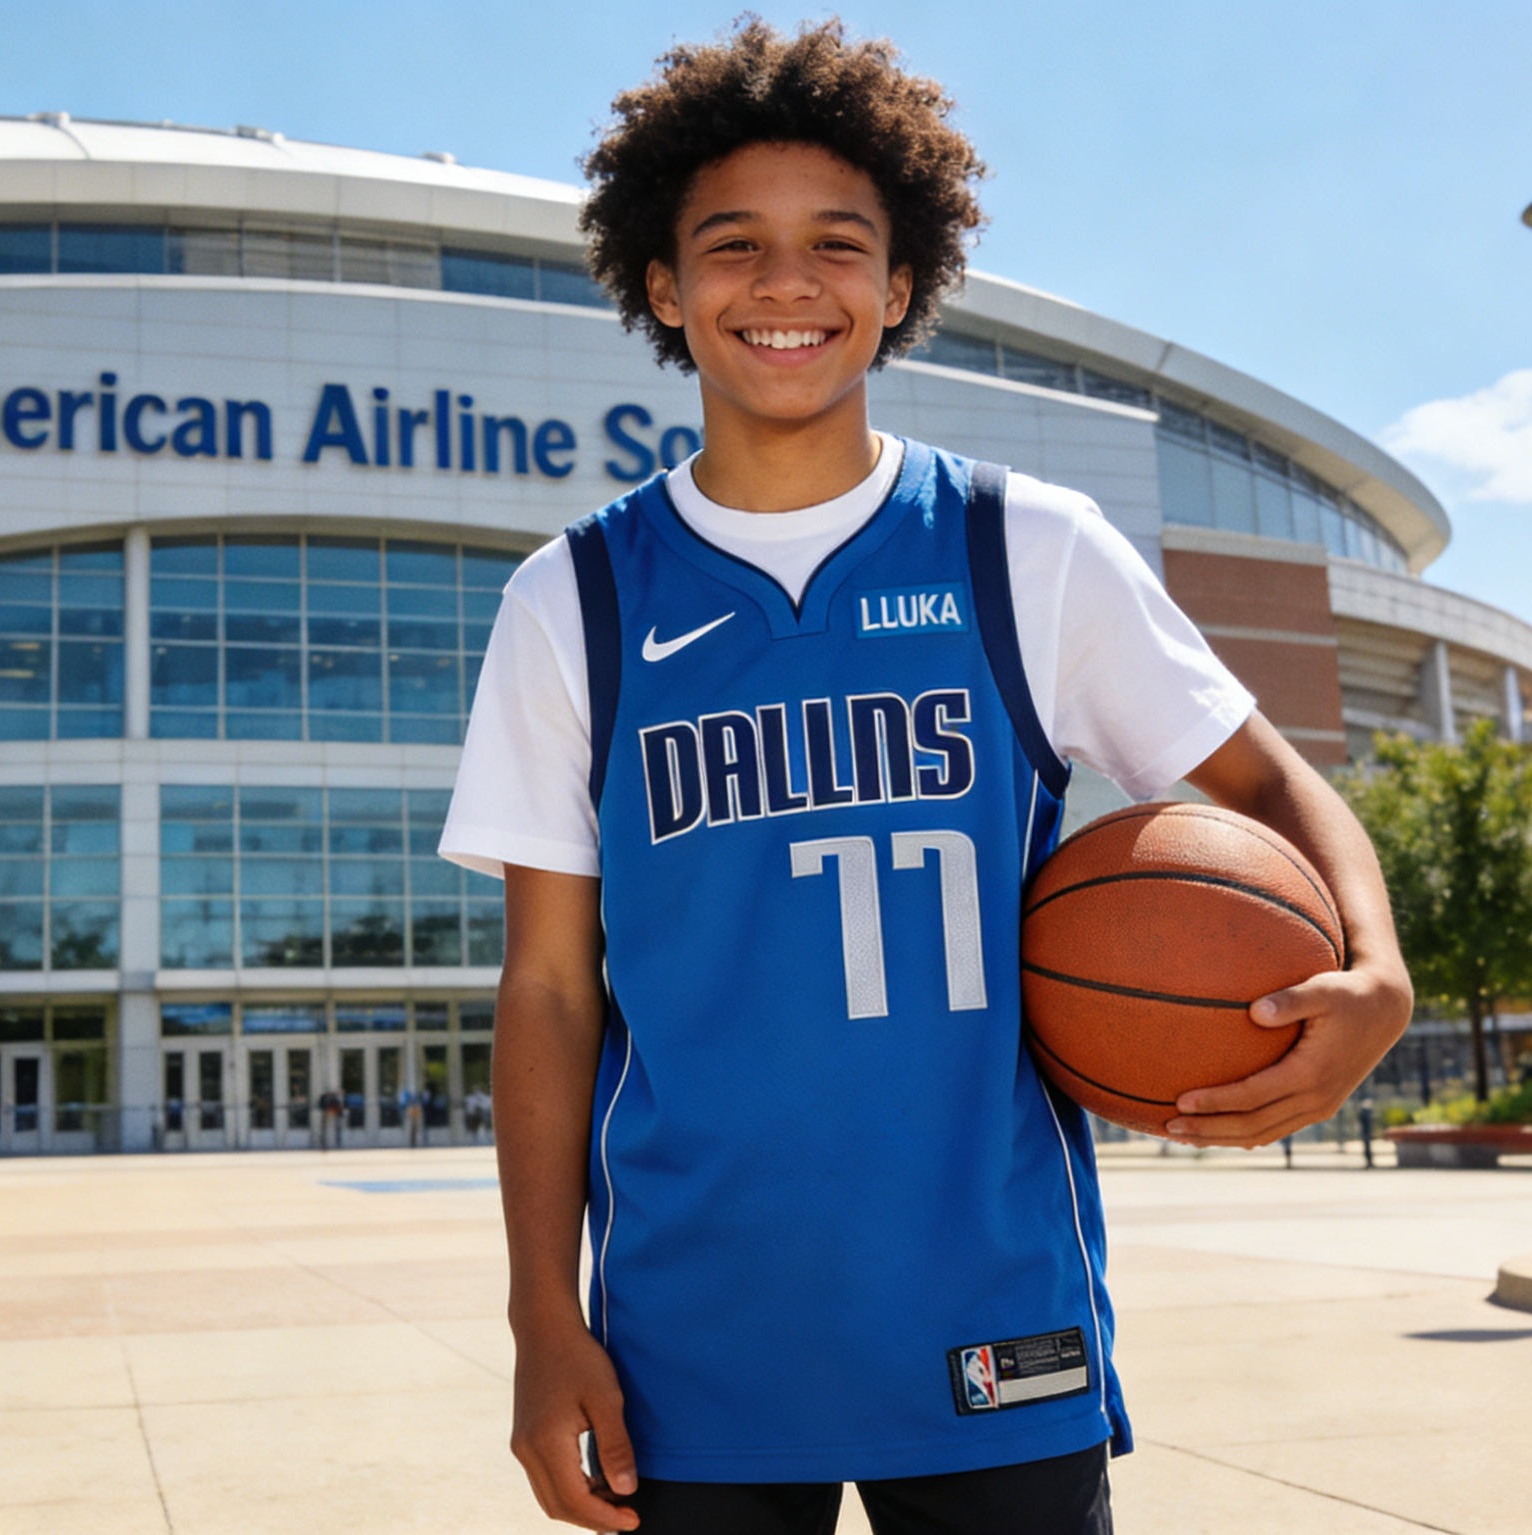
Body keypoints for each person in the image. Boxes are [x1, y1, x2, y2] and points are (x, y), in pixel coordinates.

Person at [437, 21, 1412, 1535]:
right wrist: (535, 1321)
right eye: (731, 246)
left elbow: (1277, 791)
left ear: (898, 290)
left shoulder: (1023, 549)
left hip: (990, 1300)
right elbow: (552, 992)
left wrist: (1378, 972)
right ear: (660, 285)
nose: (784, 284)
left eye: (837, 245)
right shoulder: (575, 599)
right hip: (685, 1336)